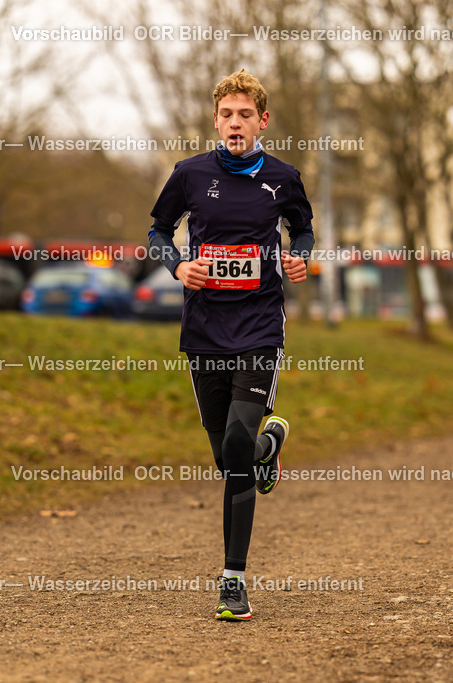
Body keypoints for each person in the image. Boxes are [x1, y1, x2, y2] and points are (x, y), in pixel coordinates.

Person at [148, 69, 314, 621]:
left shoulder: (284, 177)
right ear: (215, 121)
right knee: (228, 456)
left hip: (260, 324)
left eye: (245, 114)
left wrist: (299, 257)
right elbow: (157, 231)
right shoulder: (189, 174)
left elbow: (303, 230)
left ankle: (232, 580)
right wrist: (179, 266)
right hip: (204, 328)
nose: (235, 123)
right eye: (226, 115)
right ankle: (269, 451)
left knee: (238, 442)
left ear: (262, 121)